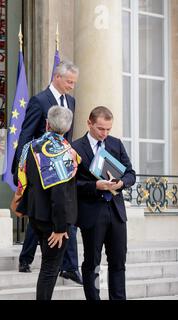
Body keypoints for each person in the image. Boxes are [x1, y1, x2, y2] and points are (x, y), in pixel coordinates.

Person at [12, 61, 82, 284]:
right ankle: (27, 257)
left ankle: (70, 267)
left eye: (74, 83)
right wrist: (19, 167)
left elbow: (67, 139)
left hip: (62, 170)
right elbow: (26, 135)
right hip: (40, 170)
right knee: (40, 214)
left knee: (50, 215)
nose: (71, 86)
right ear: (57, 77)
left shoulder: (71, 101)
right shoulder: (39, 100)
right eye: (69, 82)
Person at [72, 106, 136, 300]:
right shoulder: (75, 148)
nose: (105, 133)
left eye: (108, 129)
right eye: (101, 129)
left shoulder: (115, 144)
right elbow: (72, 184)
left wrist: (122, 182)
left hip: (116, 212)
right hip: (92, 214)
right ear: (89, 123)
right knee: (92, 263)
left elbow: (131, 174)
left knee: (118, 263)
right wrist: (95, 186)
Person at [15, 106, 78, 300]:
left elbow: (21, 177)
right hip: (55, 221)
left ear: (47, 123)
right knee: (50, 270)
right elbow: (59, 193)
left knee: (47, 268)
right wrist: (60, 227)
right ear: (67, 128)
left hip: (36, 216)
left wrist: (23, 204)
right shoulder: (65, 151)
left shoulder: (30, 146)